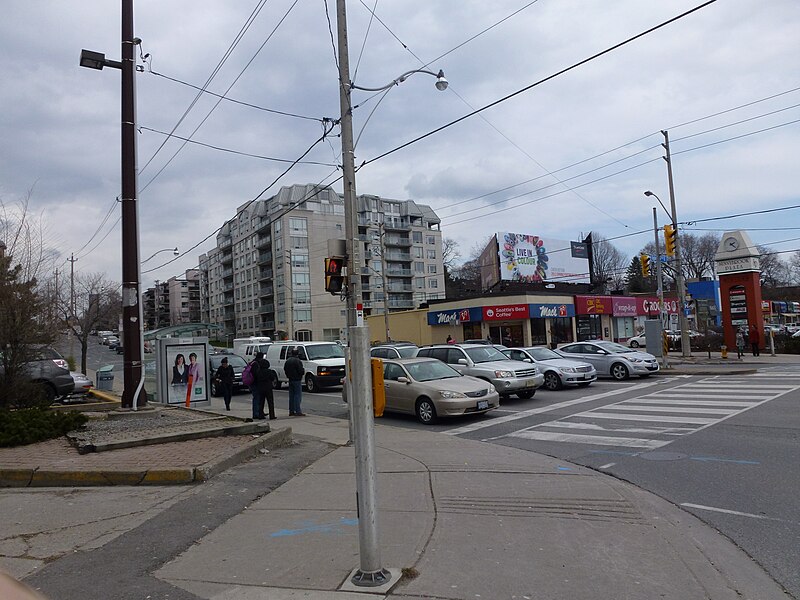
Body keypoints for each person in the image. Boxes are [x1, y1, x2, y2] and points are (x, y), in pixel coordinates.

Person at [251, 351, 275, 420]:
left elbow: (256, 377)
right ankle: (272, 415)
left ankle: (260, 414)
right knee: (270, 402)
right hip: (268, 387)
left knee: (261, 402)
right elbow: (272, 378)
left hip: (260, 387)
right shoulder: (269, 371)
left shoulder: (258, 371)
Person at [284, 347, 305, 416]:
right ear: (297, 354)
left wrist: (288, 375)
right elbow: (300, 371)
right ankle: (298, 410)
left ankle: (291, 410)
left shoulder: (288, 361)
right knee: (297, 395)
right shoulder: (297, 361)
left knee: (291, 396)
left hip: (290, 379)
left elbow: (285, 369)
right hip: (297, 379)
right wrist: (302, 371)